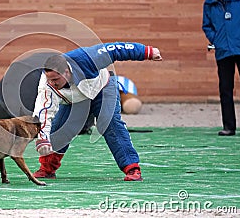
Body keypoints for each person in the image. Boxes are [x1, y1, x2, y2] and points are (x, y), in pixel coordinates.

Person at [32, 42, 162, 181]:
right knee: (59, 129)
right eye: (49, 79)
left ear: (67, 71)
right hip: (74, 101)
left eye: (55, 79)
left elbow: (116, 49)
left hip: (103, 89)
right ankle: (47, 169)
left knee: (110, 123)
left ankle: (132, 169)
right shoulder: (46, 85)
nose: (52, 83)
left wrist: (147, 52)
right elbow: (43, 113)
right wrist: (43, 140)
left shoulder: (86, 58)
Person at [202, 0, 240, 136]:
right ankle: (229, 127)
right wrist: (216, 39)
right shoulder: (209, 2)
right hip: (223, 50)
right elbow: (206, 26)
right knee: (225, 88)